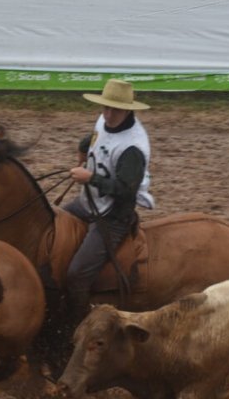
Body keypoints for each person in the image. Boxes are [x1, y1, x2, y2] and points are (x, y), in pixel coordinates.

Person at [63, 79, 155, 325]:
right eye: (105, 107)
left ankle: (77, 326)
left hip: (113, 216)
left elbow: (126, 190)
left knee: (77, 275)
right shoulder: (104, 120)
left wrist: (90, 178)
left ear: (128, 111)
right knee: (52, 223)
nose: (108, 114)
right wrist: (83, 149)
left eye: (115, 110)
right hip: (88, 202)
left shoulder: (133, 147)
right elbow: (95, 137)